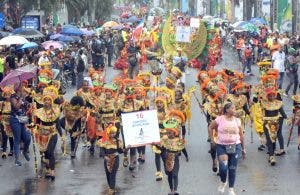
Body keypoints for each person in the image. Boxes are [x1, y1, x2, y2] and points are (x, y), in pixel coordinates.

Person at [208, 102, 245, 195]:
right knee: (223, 168)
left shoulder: (237, 121)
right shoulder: (220, 119)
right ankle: (223, 181)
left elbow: (241, 135)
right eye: (232, 108)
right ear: (227, 110)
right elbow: (210, 127)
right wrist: (212, 140)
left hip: (235, 146)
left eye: (234, 108)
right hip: (222, 146)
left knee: (232, 168)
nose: (234, 110)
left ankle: (231, 189)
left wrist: (243, 148)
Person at [33, 86, 64, 180]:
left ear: (51, 101)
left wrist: (62, 135)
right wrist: (32, 126)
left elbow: (57, 124)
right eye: (45, 100)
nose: (46, 102)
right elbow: (36, 123)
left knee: (50, 151)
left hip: (52, 133)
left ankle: (52, 171)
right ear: (43, 101)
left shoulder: (55, 111)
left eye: (48, 100)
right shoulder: (39, 112)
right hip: (42, 134)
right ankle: (47, 169)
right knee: (45, 153)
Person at [261, 88, 287, 165]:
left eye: (273, 95)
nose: (271, 97)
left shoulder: (278, 103)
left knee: (273, 140)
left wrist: (287, 119)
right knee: (269, 140)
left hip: (275, 124)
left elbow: (282, 112)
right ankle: (272, 156)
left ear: (275, 96)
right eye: (270, 96)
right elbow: (256, 102)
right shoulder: (263, 102)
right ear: (267, 96)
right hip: (267, 124)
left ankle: (271, 154)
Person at [97, 125, 124, 195]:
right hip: (107, 159)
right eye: (111, 133)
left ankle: (112, 189)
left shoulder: (118, 141)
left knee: (113, 174)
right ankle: (110, 187)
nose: (113, 134)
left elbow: (120, 151)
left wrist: (126, 148)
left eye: (114, 133)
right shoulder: (104, 140)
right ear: (108, 133)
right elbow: (102, 151)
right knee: (108, 174)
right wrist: (105, 157)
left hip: (115, 159)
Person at [10, 89, 31, 166]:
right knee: (17, 139)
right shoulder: (13, 96)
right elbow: (16, 106)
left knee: (28, 138)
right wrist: (21, 98)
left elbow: (28, 106)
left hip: (23, 119)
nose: (24, 91)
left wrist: (31, 105)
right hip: (15, 120)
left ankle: (25, 151)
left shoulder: (24, 97)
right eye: (23, 90)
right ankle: (17, 159)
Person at [0, 86, 15, 158]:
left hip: (11, 120)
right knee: (4, 135)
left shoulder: (13, 103)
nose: (7, 96)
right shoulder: (2, 103)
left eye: (8, 94)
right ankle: (4, 151)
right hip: (3, 120)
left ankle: (11, 150)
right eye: (6, 94)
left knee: (11, 136)